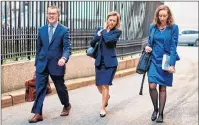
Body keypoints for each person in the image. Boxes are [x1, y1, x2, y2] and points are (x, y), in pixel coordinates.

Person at [29, 6, 72, 123]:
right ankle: (38, 113)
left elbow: (67, 48)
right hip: (42, 63)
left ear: (58, 15)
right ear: (47, 15)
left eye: (53, 13)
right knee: (39, 88)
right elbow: (38, 48)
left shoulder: (64, 30)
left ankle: (66, 105)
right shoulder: (41, 29)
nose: (51, 16)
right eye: (49, 13)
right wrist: (36, 64)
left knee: (60, 88)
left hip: (57, 64)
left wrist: (64, 58)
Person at [145, 5, 180, 123]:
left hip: (165, 61)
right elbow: (150, 42)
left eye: (164, 16)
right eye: (160, 16)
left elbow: (173, 47)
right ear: (157, 15)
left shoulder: (173, 28)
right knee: (152, 86)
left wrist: (172, 64)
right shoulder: (153, 27)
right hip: (154, 60)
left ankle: (161, 113)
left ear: (168, 15)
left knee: (163, 88)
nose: (162, 18)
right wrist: (147, 47)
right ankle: (155, 109)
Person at [90, 11, 122, 117]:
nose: (111, 22)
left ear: (116, 22)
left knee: (105, 85)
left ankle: (102, 108)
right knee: (98, 85)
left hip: (110, 63)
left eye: (114, 21)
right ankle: (106, 97)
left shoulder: (117, 32)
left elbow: (108, 41)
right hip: (99, 61)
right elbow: (92, 42)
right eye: (110, 20)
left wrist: (103, 31)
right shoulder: (99, 28)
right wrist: (98, 35)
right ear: (107, 19)